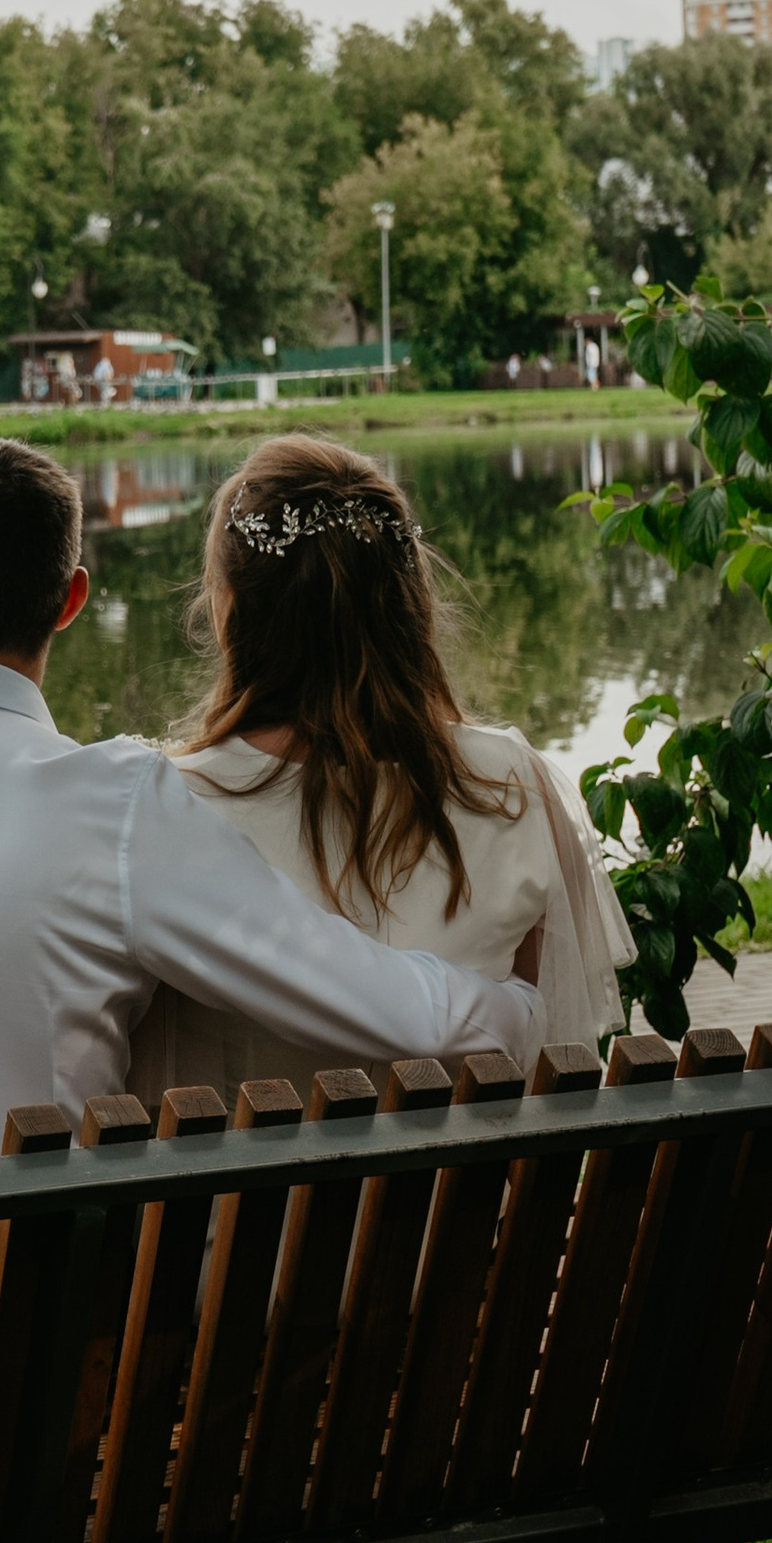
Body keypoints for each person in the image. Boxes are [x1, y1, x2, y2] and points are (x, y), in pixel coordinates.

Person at [0, 433, 546, 1171]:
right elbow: (373, 1002)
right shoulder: (116, 810)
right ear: (71, 600)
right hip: (28, 1342)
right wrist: (522, 1011)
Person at [125, 436, 629, 1111]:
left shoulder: (164, 807)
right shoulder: (511, 783)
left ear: (226, 610)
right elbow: (545, 1066)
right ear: (410, 601)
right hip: (470, 1214)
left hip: (254, 1218)